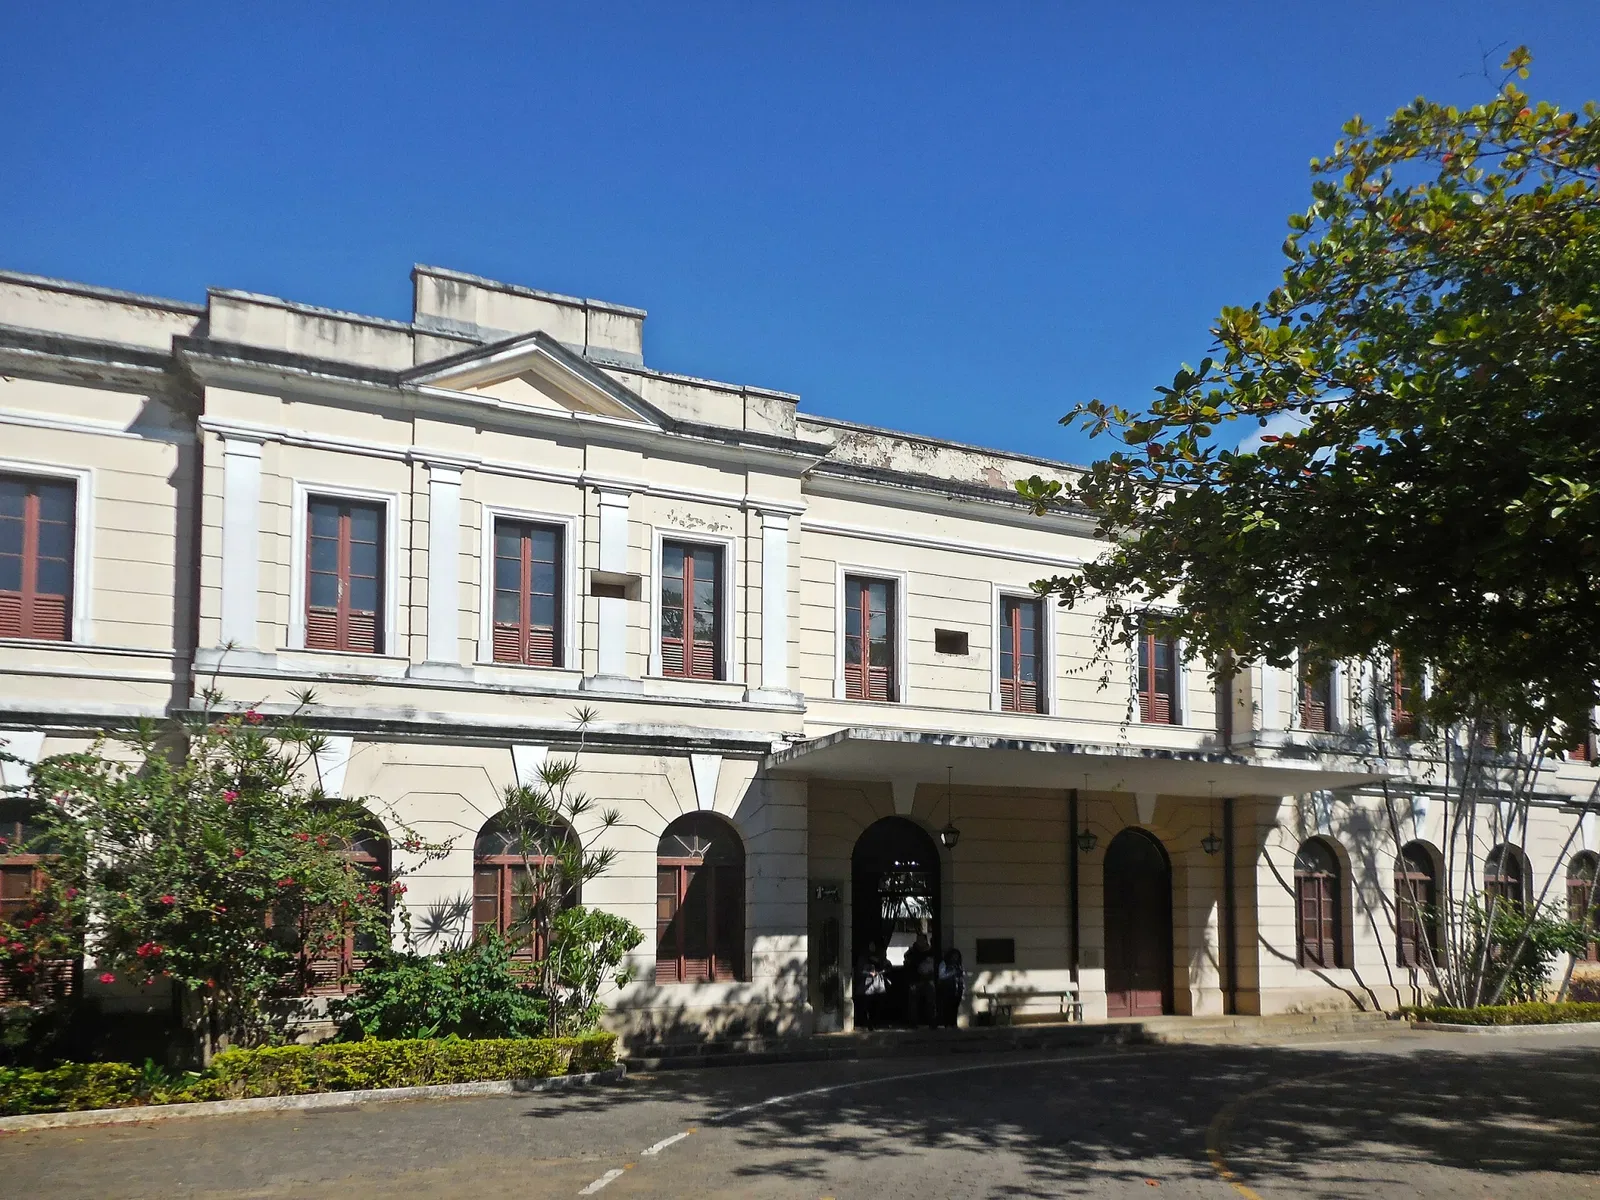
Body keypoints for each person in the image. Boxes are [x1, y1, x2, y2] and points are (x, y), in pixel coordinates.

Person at [903, 931, 937, 1027]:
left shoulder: (931, 951)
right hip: (915, 980)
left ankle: (932, 1022)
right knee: (913, 1003)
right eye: (918, 940)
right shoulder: (912, 951)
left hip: (929, 979)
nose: (920, 942)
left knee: (930, 1002)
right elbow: (908, 962)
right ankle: (913, 1023)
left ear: (926, 940)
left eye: (922, 940)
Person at [855, 941, 888, 1030]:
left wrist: (881, 968)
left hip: (878, 984)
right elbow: (860, 971)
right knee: (867, 1005)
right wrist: (869, 973)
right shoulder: (863, 958)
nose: (872, 947)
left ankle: (876, 1022)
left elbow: (886, 966)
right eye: (871, 945)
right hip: (866, 985)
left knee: (878, 1004)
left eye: (874, 945)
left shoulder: (879, 956)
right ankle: (867, 1023)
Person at [936, 947, 965, 1027]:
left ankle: (953, 1023)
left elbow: (962, 975)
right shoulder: (944, 963)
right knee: (947, 1007)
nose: (955, 958)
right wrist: (952, 973)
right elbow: (941, 976)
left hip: (957, 988)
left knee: (955, 1007)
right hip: (947, 988)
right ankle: (947, 1024)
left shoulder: (959, 964)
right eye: (954, 956)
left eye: (957, 956)